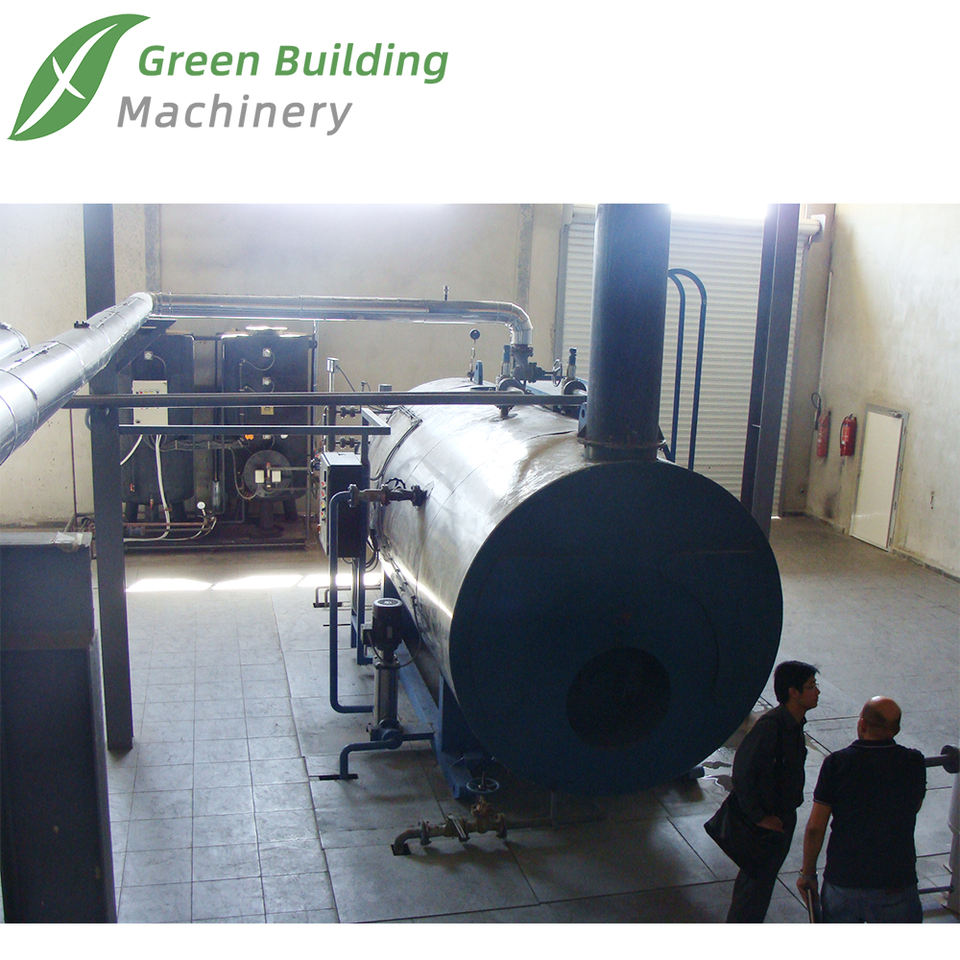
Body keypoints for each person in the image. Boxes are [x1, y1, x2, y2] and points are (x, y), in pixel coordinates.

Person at [797, 696, 926, 922]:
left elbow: (816, 827)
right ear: (895, 730)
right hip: (896, 880)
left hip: (844, 879)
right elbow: (914, 806)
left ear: (862, 724)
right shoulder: (914, 762)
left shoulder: (837, 764)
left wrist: (808, 873)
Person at [725, 660, 820, 922]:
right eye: (810, 686)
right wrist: (758, 817)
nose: (817, 692)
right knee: (753, 888)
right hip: (768, 823)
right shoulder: (771, 727)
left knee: (760, 885)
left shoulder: (794, 725)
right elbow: (743, 772)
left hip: (782, 817)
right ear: (793, 692)